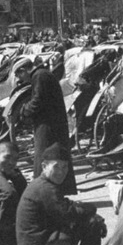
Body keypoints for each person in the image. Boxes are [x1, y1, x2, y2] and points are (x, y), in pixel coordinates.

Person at [16, 143, 105, 245]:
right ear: (44, 166)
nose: (61, 172)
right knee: (93, 222)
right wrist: (91, 209)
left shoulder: (41, 184)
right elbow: (69, 213)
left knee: (83, 217)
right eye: (56, 167)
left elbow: (64, 206)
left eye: (65, 167)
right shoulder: (45, 188)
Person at [14, 58, 76, 194]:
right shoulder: (42, 74)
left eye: (18, 74)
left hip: (49, 125)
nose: (19, 79)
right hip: (51, 123)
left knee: (45, 156)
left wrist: (24, 110)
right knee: (53, 157)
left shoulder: (39, 76)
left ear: (24, 70)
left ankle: (44, 192)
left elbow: (37, 101)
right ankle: (52, 191)